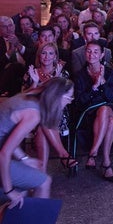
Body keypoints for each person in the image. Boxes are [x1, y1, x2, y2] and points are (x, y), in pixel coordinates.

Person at [0, 77, 74, 209]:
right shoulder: (34, 114)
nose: (69, 102)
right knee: (44, 181)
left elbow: (7, 135)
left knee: (25, 189)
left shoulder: (28, 98)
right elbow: (4, 153)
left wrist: (25, 159)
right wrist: (9, 191)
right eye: (69, 98)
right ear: (57, 97)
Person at [22, 42, 76, 173]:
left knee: (42, 125)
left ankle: (42, 173)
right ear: (39, 55)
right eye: (43, 53)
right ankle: (63, 154)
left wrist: (55, 78)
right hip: (34, 113)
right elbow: (23, 97)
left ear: (55, 56)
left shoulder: (63, 73)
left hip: (56, 113)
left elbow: (59, 99)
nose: (46, 56)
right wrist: (34, 83)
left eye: (51, 53)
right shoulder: (31, 72)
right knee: (41, 123)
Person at [73, 40, 113, 181]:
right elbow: (80, 102)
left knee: (105, 109)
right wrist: (93, 88)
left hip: (108, 107)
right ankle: (106, 163)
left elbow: (111, 97)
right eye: (89, 51)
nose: (91, 54)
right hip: (88, 114)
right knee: (110, 121)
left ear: (102, 54)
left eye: (95, 52)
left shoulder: (110, 73)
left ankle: (93, 153)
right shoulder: (79, 75)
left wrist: (102, 82)